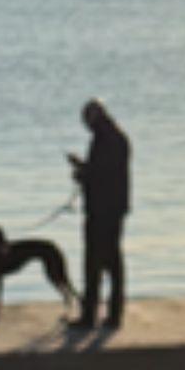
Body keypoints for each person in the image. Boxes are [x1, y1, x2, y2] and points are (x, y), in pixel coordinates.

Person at [67, 99, 131, 329]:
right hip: (114, 208)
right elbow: (105, 172)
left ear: (94, 117)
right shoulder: (116, 137)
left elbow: (99, 176)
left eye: (86, 120)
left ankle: (90, 316)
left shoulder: (105, 140)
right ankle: (113, 314)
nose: (85, 125)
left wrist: (81, 172)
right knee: (112, 262)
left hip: (102, 210)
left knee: (95, 263)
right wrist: (84, 170)